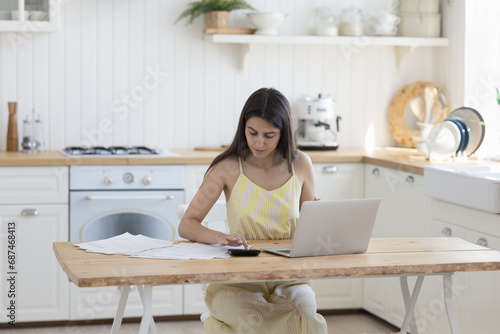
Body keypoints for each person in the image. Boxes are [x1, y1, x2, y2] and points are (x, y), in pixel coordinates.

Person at [178, 87, 327, 333]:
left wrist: (319, 218)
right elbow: (187, 224)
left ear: (284, 132)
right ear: (243, 128)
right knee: (269, 325)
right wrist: (220, 237)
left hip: (290, 278)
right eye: (252, 132)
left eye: (269, 135)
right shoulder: (228, 167)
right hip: (237, 280)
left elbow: (310, 232)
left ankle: (218, 327)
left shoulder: (300, 164)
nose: (259, 142)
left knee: (307, 322)